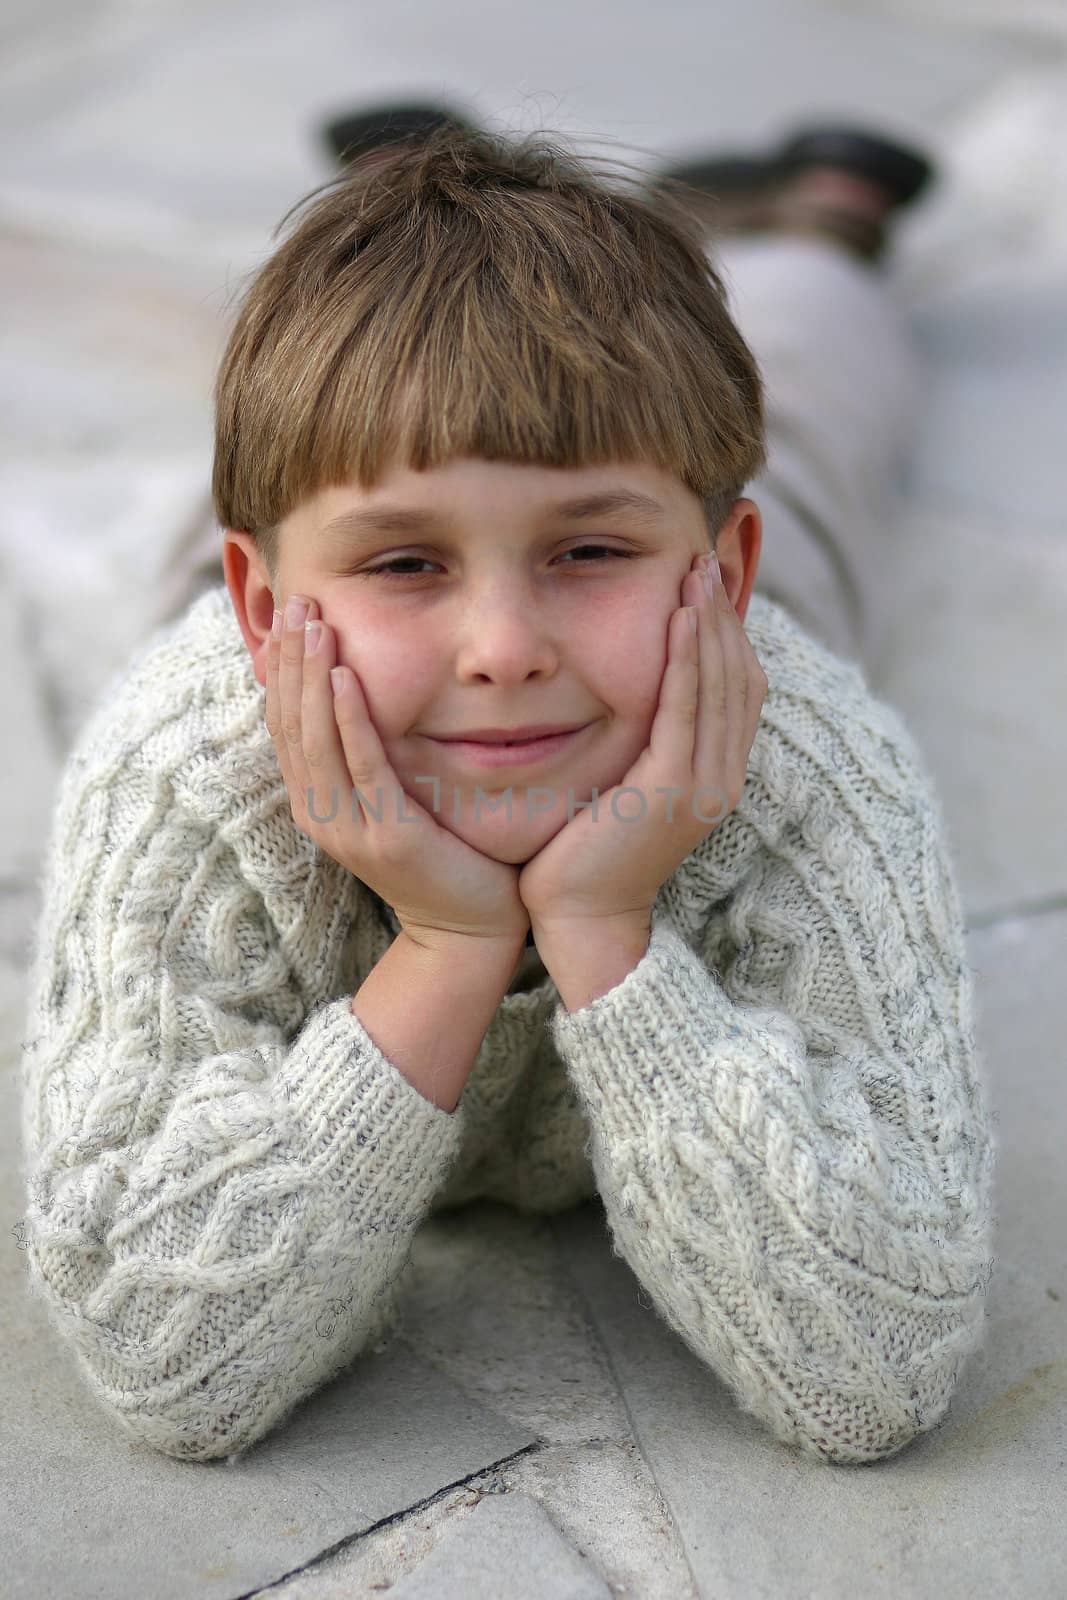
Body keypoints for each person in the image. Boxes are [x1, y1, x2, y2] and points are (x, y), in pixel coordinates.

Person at [18, 122, 997, 1472]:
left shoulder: (814, 764)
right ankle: (409, 186)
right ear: (261, 610)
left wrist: (606, 927)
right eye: (411, 564)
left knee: (818, 422)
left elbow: (874, 1368)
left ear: (724, 569)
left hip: (695, 678)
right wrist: (449, 947)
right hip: (317, 662)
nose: (504, 646)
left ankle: (817, 238)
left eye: (590, 548)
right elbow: (163, 1354)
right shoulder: (182, 767)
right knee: (344, 403)